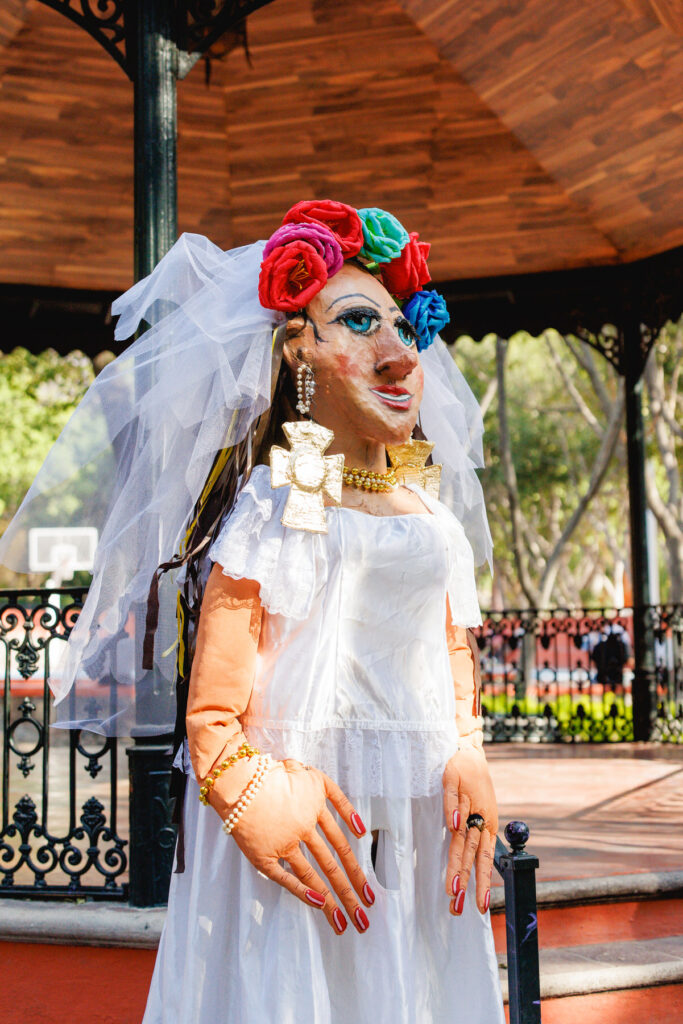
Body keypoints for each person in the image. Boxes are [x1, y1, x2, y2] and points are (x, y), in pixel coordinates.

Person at [0, 200, 503, 1022]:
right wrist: (245, 790)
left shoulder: (429, 516)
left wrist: (468, 750)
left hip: (413, 831)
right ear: (297, 351)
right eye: (355, 323)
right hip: (306, 827)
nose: (396, 352)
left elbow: (448, 648)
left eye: (405, 328)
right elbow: (215, 710)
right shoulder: (286, 498)